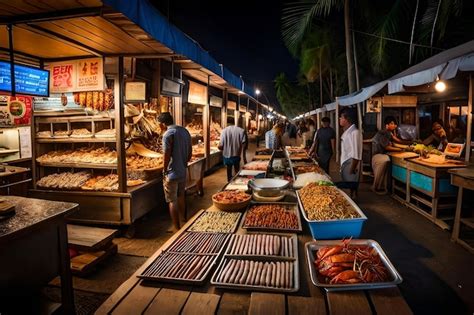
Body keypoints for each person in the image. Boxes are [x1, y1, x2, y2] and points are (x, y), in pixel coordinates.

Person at [159, 112, 192, 233]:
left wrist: (164, 169)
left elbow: (166, 154)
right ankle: (184, 220)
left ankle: (176, 228)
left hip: (171, 173)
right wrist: (183, 163)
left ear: (163, 124)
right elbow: (190, 153)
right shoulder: (184, 131)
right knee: (181, 195)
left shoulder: (167, 134)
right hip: (182, 171)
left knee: (172, 200)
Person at [371, 116, 406, 195]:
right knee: (386, 159)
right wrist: (401, 150)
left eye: (395, 124)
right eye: (392, 124)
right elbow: (386, 147)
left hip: (378, 155)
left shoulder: (389, 133)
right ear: (386, 125)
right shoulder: (385, 132)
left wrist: (408, 144)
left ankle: (384, 187)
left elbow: (397, 141)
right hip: (377, 156)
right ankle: (376, 187)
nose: (395, 126)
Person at [339, 109, 362, 199]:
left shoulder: (355, 132)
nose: (340, 119)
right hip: (346, 163)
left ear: (347, 119)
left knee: (351, 186)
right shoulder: (347, 132)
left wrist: (352, 169)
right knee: (349, 186)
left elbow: (356, 154)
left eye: (341, 117)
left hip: (351, 164)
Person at [219, 117, 246, 181]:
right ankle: (237, 182)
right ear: (234, 122)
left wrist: (219, 147)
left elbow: (221, 145)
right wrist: (243, 155)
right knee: (237, 170)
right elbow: (244, 143)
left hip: (227, 155)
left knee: (229, 170)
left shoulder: (223, 131)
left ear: (226, 122)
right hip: (236, 154)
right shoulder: (241, 130)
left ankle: (229, 182)